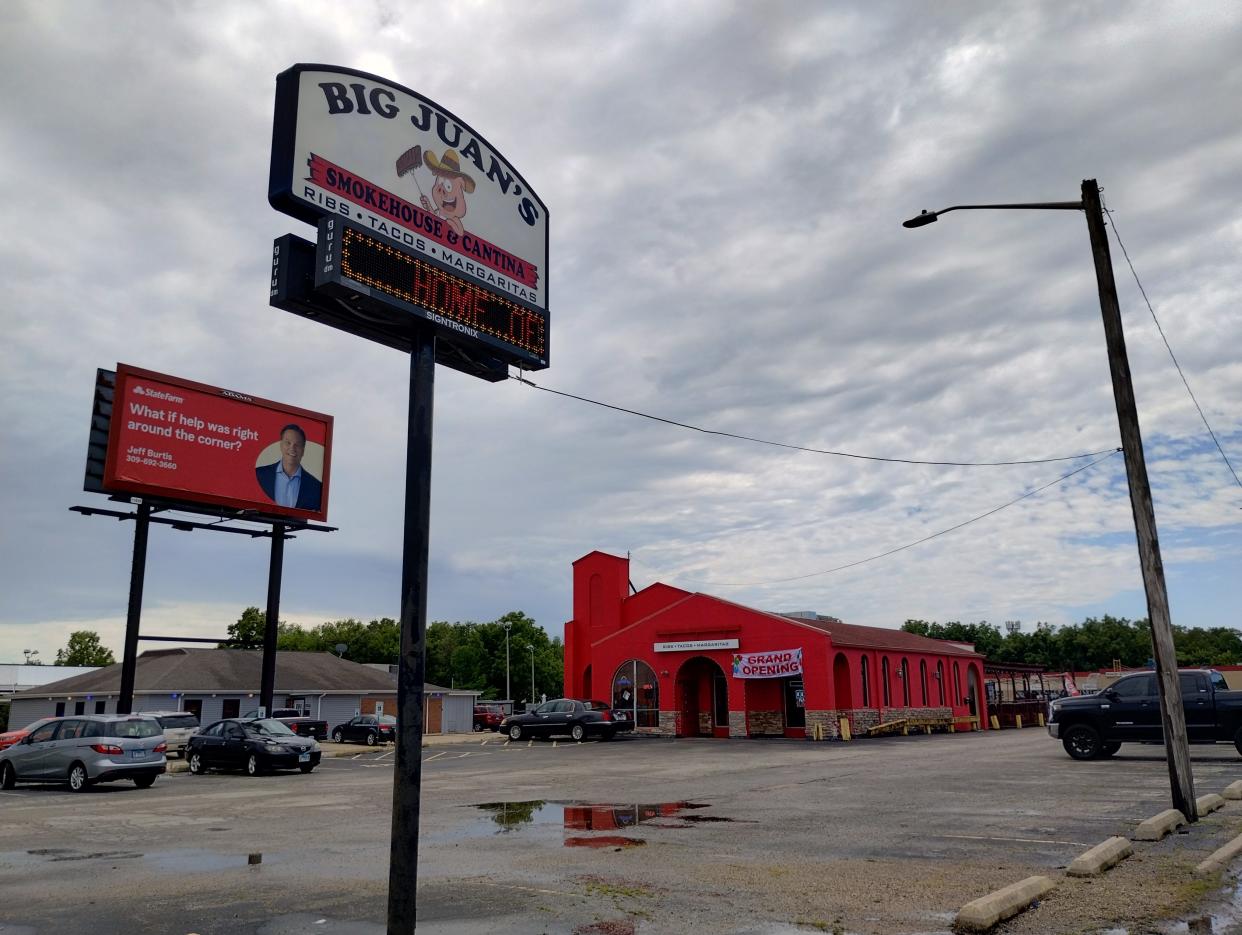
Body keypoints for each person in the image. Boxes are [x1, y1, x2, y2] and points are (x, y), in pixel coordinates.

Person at [255, 423, 322, 511]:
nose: (292, 448)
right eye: (288, 443)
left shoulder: (316, 487)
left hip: (296, 525)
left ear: (303, 450)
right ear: (281, 445)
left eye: (297, 444)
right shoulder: (260, 474)